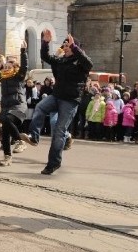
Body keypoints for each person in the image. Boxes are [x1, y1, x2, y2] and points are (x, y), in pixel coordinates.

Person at [25, 32, 93, 175]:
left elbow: (89, 63)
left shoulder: (81, 62)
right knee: (40, 107)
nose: (65, 47)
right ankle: (34, 136)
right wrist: (45, 44)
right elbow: (46, 57)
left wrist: (74, 47)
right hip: (56, 96)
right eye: (65, 45)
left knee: (58, 131)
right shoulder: (61, 60)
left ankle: (53, 163)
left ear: (75, 48)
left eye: (68, 45)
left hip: (70, 100)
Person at [0, 41, 29, 167]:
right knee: (5, 130)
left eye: (8, 67)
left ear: (13, 68)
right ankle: (7, 157)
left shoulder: (18, 76)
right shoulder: (2, 77)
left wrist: (23, 52)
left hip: (18, 106)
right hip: (6, 107)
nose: (6, 69)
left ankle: (20, 141)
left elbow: (24, 67)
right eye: (5, 67)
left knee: (6, 119)